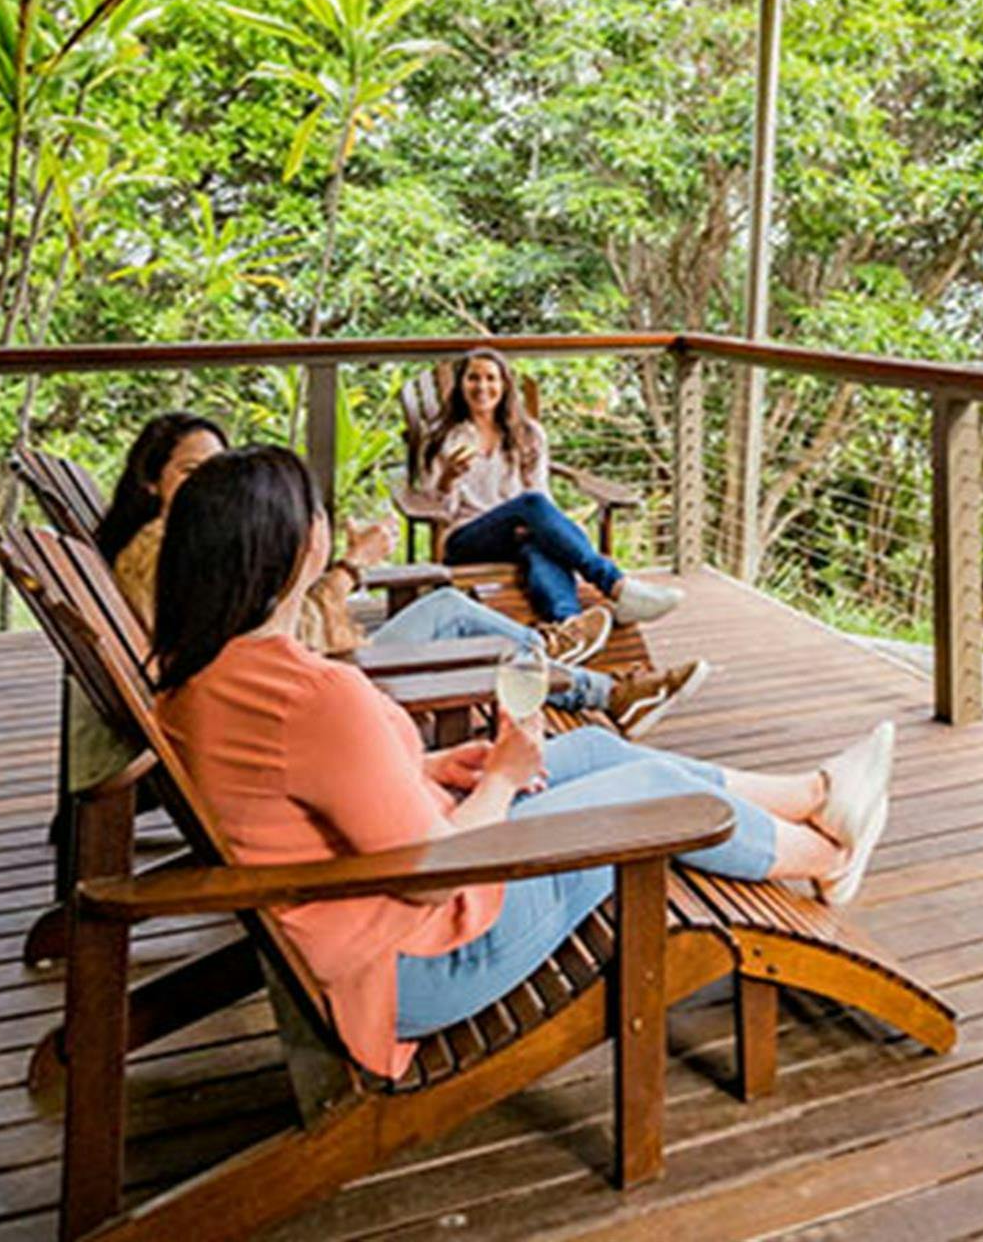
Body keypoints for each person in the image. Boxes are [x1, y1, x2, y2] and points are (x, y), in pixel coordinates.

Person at [151, 445, 894, 1079]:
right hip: (416, 959)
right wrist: (503, 775)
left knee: (601, 748)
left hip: (360, 910)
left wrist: (433, 770)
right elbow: (427, 869)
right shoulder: (310, 695)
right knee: (647, 792)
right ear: (299, 547)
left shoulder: (204, 676)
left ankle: (816, 794)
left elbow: (300, 798)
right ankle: (827, 852)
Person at [95, 412, 707, 736]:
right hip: (322, 678)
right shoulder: (161, 553)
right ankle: (583, 661)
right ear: (151, 481)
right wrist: (351, 565)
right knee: (473, 600)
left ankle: (564, 652)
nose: (208, 485)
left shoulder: (183, 545)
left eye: (216, 470)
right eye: (189, 472)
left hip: (304, 672)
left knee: (479, 587)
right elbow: (288, 636)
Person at [421, 348, 682, 626]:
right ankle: (618, 586)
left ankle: (569, 625)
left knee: (539, 546)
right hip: (468, 539)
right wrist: (448, 477)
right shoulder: (446, 437)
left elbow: (541, 493)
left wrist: (551, 529)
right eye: (473, 378)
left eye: (491, 378)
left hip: (521, 533)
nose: (482, 387)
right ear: (461, 385)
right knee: (532, 507)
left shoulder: (529, 434)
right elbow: (441, 511)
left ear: (505, 385)